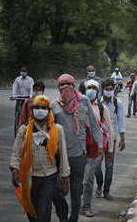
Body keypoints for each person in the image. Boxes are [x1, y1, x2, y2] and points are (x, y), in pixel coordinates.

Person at [52, 74, 104, 222]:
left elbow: (94, 125)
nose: (65, 87)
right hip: (59, 156)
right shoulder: (54, 105)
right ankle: (63, 215)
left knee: (76, 189)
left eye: (68, 84)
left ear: (74, 85)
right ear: (58, 87)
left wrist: (100, 145)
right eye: (62, 85)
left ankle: (74, 216)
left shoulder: (84, 102)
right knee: (57, 190)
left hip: (78, 154)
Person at [10, 95, 70, 222]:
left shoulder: (57, 130)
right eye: (36, 107)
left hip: (49, 177)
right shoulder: (24, 129)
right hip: (30, 178)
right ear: (31, 110)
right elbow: (16, 152)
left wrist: (65, 179)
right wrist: (15, 171)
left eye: (43, 107)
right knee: (31, 212)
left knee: (44, 212)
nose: (40, 110)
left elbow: (63, 155)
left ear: (48, 110)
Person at [81, 79, 114, 217]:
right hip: (79, 147)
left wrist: (110, 150)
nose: (92, 90)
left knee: (89, 178)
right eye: (89, 87)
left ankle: (86, 206)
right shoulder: (78, 106)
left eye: (94, 88)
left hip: (95, 148)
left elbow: (109, 130)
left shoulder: (102, 108)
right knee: (78, 179)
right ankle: (78, 203)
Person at [95, 79, 126, 200]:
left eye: (110, 89)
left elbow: (121, 121)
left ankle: (106, 191)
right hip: (98, 140)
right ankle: (99, 184)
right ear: (103, 90)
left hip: (111, 140)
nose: (108, 91)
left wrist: (122, 138)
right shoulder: (97, 103)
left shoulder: (117, 103)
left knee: (109, 166)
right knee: (96, 166)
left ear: (113, 90)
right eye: (106, 89)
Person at [10, 66, 34, 136]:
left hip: (26, 98)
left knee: (28, 112)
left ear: (26, 72)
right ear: (20, 72)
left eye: (24, 71)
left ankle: (28, 123)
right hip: (19, 98)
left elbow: (31, 89)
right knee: (17, 112)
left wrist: (31, 96)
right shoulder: (17, 79)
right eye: (22, 71)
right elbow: (14, 88)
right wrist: (14, 96)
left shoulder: (30, 80)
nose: (23, 73)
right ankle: (17, 122)